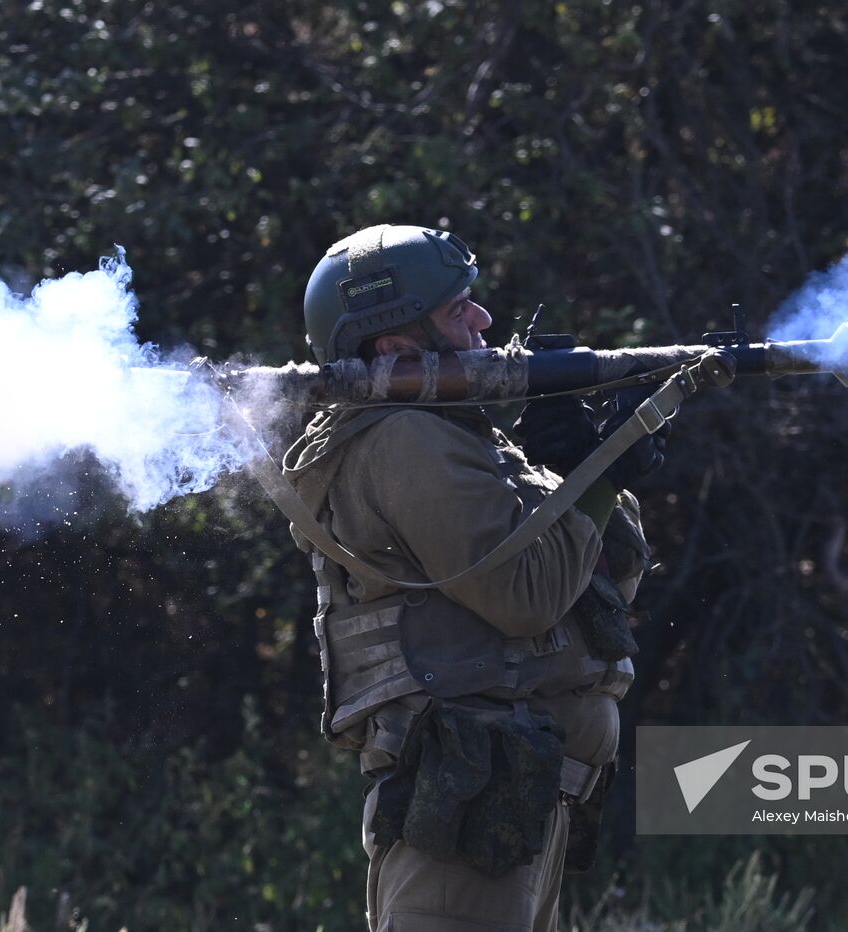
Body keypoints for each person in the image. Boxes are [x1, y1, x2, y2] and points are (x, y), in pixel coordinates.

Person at [283, 224, 662, 932]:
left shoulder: (460, 435)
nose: (484, 320)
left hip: (510, 800)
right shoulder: (405, 439)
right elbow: (524, 597)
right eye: (459, 310)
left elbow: (605, 590)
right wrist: (595, 481)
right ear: (396, 346)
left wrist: (588, 467)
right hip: (469, 798)